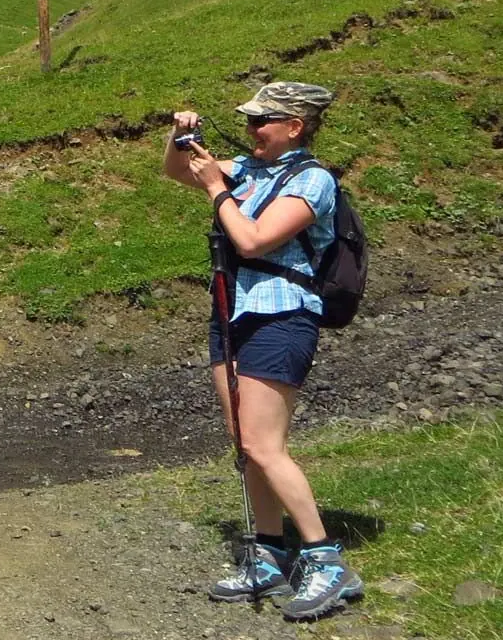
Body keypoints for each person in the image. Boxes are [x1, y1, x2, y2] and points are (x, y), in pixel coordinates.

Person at [161, 82, 363, 620]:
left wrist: (215, 192)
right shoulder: (251, 171)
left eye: (260, 122)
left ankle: (326, 560)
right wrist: (181, 138)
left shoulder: (313, 180)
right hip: (231, 315)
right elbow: (178, 171)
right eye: (248, 121)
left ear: (294, 126)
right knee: (244, 444)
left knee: (264, 442)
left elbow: (252, 241)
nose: (251, 130)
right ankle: (269, 552)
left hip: (283, 315)